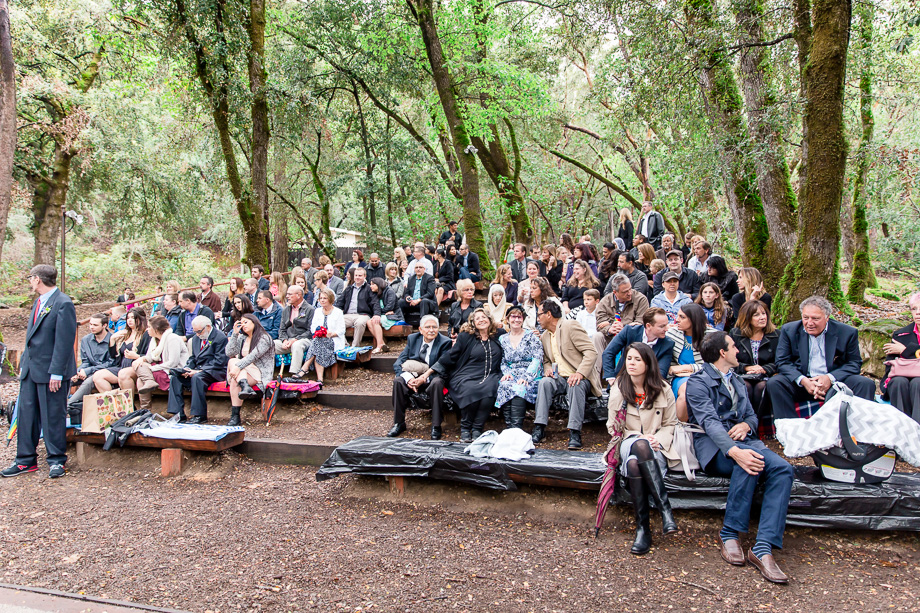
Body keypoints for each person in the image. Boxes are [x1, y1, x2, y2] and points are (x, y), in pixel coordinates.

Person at [685, 332, 794, 584]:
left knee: (783, 469)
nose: (739, 351)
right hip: (714, 448)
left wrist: (746, 425)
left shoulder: (736, 380)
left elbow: (752, 416)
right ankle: (730, 533)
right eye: (734, 346)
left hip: (746, 441)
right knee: (747, 463)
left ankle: (763, 547)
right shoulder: (698, 382)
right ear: (722, 353)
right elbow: (709, 423)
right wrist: (734, 451)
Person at [2, 266, 77, 479]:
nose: (30, 283)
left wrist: (56, 373)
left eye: (30, 279)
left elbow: (64, 342)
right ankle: (25, 460)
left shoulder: (63, 303)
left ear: (37, 280)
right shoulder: (38, 302)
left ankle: (56, 460)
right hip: (31, 370)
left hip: (52, 372)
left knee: (53, 416)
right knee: (26, 416)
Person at [606, 343, 679, 554]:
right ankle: (665, 510)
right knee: (638, 446)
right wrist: (639, 436)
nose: (632, 363)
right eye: (629, 359)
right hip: (628, 441)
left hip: (656, 448)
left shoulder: (663, 388)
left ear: (648, 363)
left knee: (634, 464)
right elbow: (613, 426)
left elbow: (671, 424)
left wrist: (657, 439)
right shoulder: (619, 387)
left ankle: (643, 529)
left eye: (638, 359)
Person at [767, 296, 876, 419]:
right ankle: (789, 429)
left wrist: (830, 378)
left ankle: (854, 428)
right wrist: (803, 380)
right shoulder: (789, 330)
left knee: (865, 383)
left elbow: (854, 363)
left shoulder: (847, 332)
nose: (809, 323)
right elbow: (782, 361)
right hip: (802, 383)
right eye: (805, 317)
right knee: (775, 383)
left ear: (827, 317)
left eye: (815, 319)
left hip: (834, 383)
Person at [418, 309, 504, 442]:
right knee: (469, 389)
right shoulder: (466, 337)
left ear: (490, 319)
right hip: (466, 374)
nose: (481, 320)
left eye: (484, 317)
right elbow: (450, 356)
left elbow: (516, 336)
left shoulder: (499, 335)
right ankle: (465, 427)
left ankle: (477, 428)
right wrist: (428, 373)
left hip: (491, 374)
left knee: (490, 390)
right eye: (477, 318)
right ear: (473, 323)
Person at [531, 300, 602, 449]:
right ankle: (539, 427)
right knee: (544, 382)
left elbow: (591, 352)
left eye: (539, 315)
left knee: (575, 384)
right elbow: (546, 360)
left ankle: (575, 431)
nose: (538, 319)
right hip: (559, 378)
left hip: (580, 377)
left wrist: (580, 373)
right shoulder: (545, 336)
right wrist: (548, 369)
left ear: (549, 315)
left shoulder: (570, 326)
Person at [386, 315, 453, 439]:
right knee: (399, 381)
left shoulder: (445, 342)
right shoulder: (413, 339)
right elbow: (399, 362)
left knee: (438, 382)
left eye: (434, 327)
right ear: (421, 330)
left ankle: (436, 425)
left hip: (432, 378)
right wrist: (410, 379)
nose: (431, 330)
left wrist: (423, 379)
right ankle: (399, 423)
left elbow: (443, 368)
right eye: (427, 327)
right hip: (414, 376)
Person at [167, 315, 229, 424]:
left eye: (199, 331)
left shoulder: (220, 338)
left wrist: (199, 371)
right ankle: (178, 414)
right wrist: (187, 368)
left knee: (197, 378)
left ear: (208, 327)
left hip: (215, 370)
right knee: (175, 378)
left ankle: (199, 415)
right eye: (195, 331)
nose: (197, 334)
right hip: (198, 369)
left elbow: (220, 361)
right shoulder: (196, 338)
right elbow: (193, 357)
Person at [121, 315, 189, 412]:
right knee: (139, 368)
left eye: (149, 327)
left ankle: (145, 408)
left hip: (170, 371)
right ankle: (145, 411)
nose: (147, 329)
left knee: (141, 376)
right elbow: (150, 356)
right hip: (159, 368)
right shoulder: (154, 340)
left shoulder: (172, 338)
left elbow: (173, 362)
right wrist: (142, 359)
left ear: (156, 329)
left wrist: (151, 368)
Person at [730, 300, 779, 425]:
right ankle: (742, 422)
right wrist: (746, 368)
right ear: (747, 317)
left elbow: (780, 360)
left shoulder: (776, 335)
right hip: (743, 374)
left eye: (764, 313)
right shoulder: (735, 334)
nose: (762, 317)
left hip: (766, 375)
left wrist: (764, 369)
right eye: (756, 315)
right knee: (745, 386)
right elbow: (730, 360)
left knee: (761, 387)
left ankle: (755, 424)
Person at [495, 305, 543, 429]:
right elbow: (503, 361)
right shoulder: (503, 339)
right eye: (513, 316)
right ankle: (509, 427)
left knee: (519, 387)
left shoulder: (531, 336)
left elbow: (537, 359)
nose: (516, 320)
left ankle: (516, 428)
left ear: (523, 319)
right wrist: (506, 373)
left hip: (530, 374)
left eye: (519, 317)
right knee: (505, 385)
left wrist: (527, 377)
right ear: (507, 319)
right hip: (512, 372)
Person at [67, 313, 116, 421]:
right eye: (90, 324)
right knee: (67, 378)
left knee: (89, 381)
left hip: (105, 372)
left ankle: (68, 406)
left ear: (104, 325)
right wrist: (78, 371)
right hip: (89, 370)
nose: (91, 327)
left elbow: (112, 363)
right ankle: (57, 404)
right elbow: (85, 361)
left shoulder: (112, 339)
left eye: (95, 325)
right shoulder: (86, 340)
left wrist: (88, 370)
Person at [602, 308, 675, 381]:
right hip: (623, 380)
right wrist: (610, 377)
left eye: (666, 325)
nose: (666, 329)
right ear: (648, 326)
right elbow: (608, 353)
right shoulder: (629, 331)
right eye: (662, 326)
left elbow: (661, 372)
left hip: (650, 384)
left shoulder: (668, 344)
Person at [225, 314, 275, 420]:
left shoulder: (265, 338)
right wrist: (234, 334)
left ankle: (235, 417)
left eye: (246, 322)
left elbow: (253, 357)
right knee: (234, 375)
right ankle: (236, 414)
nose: (243, 325)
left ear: (254, 322)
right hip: (244, 371)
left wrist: (238, 367)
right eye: (241, 323)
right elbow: (230, 352)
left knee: (234, 362)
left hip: (259, 371)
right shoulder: (242, 337)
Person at [666, 302, 709, 421]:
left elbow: (717, 365)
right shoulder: (671, 334)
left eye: (682, 317)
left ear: (694, 319)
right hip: (679, 378)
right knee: (686, 390)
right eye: (677, 316)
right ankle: (680, 427)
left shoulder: (712, 336)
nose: (677, 320)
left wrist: (690, 368)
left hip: (705, 376)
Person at [881, 292, 920, 423]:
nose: (918, 313)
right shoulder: (901, 334)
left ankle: (917, 432)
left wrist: (905, 350)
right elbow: (890, 365)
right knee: (898, 382)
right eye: (914, 309)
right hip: (900, 379)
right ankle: (901, 431)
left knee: (917, 383)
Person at [93, 308, 150, 394]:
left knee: (123, 374)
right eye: (128, 318)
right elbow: (113, 356)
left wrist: (136, 356)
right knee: (98, 376)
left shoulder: (146, 334)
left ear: (140, 319)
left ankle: (129, 405)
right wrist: (112, 340)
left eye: (133, 318)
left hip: (137, 367)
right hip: (121, 366)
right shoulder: (124, 333)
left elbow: (151, 356)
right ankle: (116, 401)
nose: (130, 320)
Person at [593, 273, 650, 360]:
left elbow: (641, 323)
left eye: (630, 289)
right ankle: (600, 372)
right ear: (615, 292)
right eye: (625, 292)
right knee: (597, 336)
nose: (629, 293)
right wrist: (609, 329)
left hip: (631, 338)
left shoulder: (640, 299)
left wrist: (622, 327)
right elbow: (600, 323)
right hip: (611, 337)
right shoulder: (605, 301)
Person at [299, 288, 346, 384]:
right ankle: (319, 379)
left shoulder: (338, 312)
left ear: (331, 299)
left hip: (333, 340)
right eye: (321, 298)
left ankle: (305, 368)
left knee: (317, 343)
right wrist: (319, 332)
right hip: (319, 338)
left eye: (325, 298)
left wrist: (331, 334)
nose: (322, 300)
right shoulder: (317, 311)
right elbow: (313, 327)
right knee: (318, 343)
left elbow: (341, 330)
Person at [334, 267, 385, 352]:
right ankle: (345, 346)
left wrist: (376, 314)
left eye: (360, 275)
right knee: (336, 321)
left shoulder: (369, 288)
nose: (357, 277)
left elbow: (375, 303)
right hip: (348, 315)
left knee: (360, 323)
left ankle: (354, 347)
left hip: (363, 315)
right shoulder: (348, 289)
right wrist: (334, 313)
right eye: (356, 275)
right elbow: (339, 303)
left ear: (364, 276)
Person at [275, 285, 315, 377]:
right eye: (287, 294)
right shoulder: (286, 310)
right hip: (288, 339)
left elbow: (310, 331)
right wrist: (284, 340)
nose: (287, 296)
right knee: (269, 344)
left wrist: (295, 339)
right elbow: (282, 329)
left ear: (298, 295)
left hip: (304, 339)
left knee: (297, 345)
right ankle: (266, 373)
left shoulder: (310, 309)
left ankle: (294, 373)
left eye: (290, 294)